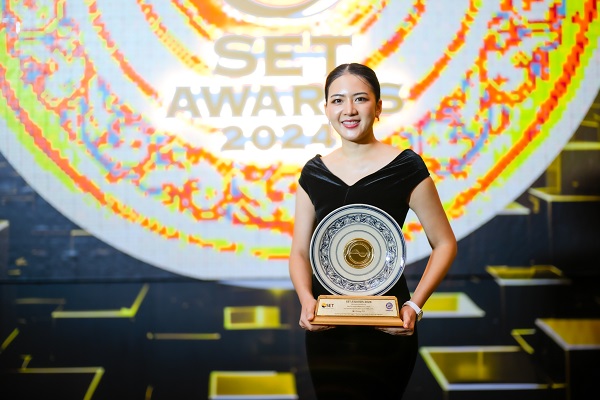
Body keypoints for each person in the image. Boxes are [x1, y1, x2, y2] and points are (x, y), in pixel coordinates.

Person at [289, 63, 457, 399]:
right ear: (326, 109)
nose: (349, 110)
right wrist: (307, 302)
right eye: (337, 100)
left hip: (388, 329)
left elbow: (445, 243)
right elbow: (299, 252)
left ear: (378, 107)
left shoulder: (406, 167)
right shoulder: (314, 173)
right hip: (328, 330)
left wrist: (414, 307)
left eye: (360, 99)